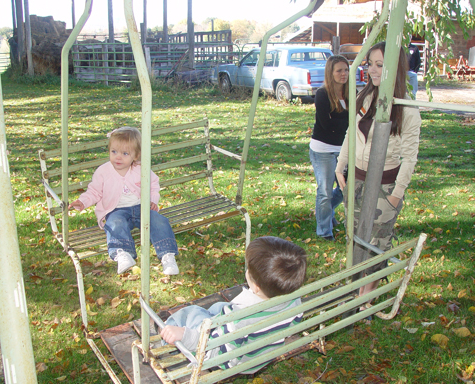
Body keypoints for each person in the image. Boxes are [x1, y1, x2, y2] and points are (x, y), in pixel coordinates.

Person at [335, 41, 421, 301]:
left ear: (395, 68)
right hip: (357, 181)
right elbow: (352, 132)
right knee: (356, 238)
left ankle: (366, 298)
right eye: (370, 63)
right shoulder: (364, 97)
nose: (372, 70)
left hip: (384, 188)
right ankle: (355, 292)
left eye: (380, 65)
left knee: (375, 245)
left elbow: (410, 156)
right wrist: (341, 167)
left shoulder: (406, 108)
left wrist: (396, 194)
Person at [159, 236, 307, 374]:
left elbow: (215, 351)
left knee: (192, 312)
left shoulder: (238, 317)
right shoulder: (295, 301)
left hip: (233, 360)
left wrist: (186, 336)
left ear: (256, 287)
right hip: (260, 355)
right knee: (219, 308)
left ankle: (165, 334)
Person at [69, 127, 180, 275]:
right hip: (116, 210)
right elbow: (94, 191)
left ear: (136, 155)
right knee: (115, 224)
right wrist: (82, 202)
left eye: (125, 153)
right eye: (114, 151)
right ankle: (123, 254)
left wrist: (152, 200)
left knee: (159, 221)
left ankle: (167, 255)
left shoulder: (141, 169)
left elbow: (153, 185)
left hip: (142, 207)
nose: (118, 157)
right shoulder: (103, 172)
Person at [309, 55, 351, 241]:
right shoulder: (323, 94)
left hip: (345, 150)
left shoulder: (352, 94)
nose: (344, 74)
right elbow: (327, 125)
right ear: (330, 73)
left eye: (346, 70)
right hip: (323, 149)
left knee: (347, 188)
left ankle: (327, 211)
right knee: (325, 191)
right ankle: (324, 231)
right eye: (339, 70)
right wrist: (350, 122)